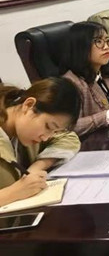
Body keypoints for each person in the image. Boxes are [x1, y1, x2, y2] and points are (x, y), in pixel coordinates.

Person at [0, 78, 81, 207]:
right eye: (48, 126)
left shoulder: (23, 130)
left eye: (54, 131)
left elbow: (69, 138)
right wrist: (13, 193)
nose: (45, 138)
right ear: (28, 105)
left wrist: (38, 166)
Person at [60, 22, 109, 137]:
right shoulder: (71, 82)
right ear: (81, 47)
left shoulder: (104, 75)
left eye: (107, 41)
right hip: (89, 144)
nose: (106, 47)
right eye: (98, 42)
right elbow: (70, 127)